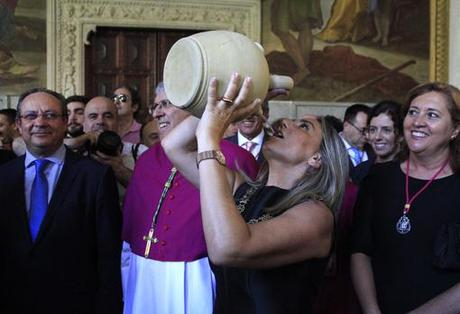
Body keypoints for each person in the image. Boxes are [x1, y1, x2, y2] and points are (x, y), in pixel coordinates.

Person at [162, 73, 349, 313]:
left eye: (304, 126)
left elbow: (228, 248)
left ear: (317, 158)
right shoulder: (240, 188)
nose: (285, 122)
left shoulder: (316, 215)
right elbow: (174, 146)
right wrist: (237, 102)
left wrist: (209, 138)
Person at [122, 81, 259, 314]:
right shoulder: (146, 160)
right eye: (155, 106)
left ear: (195, 108)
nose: (157, 112)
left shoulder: (236, 157)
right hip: (143, 271)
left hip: (199, 273)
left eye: (166, 104)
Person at [0, 88, 122, 313]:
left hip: (74, 304)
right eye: (30, 116)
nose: (40, 122)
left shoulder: (94, 176)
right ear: (18, 124)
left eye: (50, 115)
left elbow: (108, 254)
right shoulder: (3, 177)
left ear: (65, 122)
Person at [351, 82, 460, 314]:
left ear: (455, 129)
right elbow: (360, 250)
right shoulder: (378, 177)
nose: (418, 121)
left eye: (432, 115)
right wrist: (372, 311)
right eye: (413, 112)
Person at [340, 103, 373, 184]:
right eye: (363, 130)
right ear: (346, 125)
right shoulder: (328, 149)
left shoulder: (374, 150)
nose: (367, 136)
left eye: (371, 130)